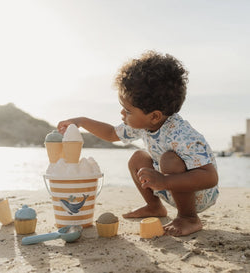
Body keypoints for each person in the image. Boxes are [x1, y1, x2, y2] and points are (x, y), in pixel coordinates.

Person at [57, 50, 219, 236]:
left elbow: (210, 178)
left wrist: (165, 181)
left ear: (154, 116)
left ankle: (189, 218)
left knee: (169, 160)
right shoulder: (143, 124)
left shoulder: (181, 134)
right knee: (138, 158)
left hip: (198, 192)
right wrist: (82, 121)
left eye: (127, 110)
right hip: (169, 185)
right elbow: (111, 134)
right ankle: (154, 207)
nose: (122, 114)